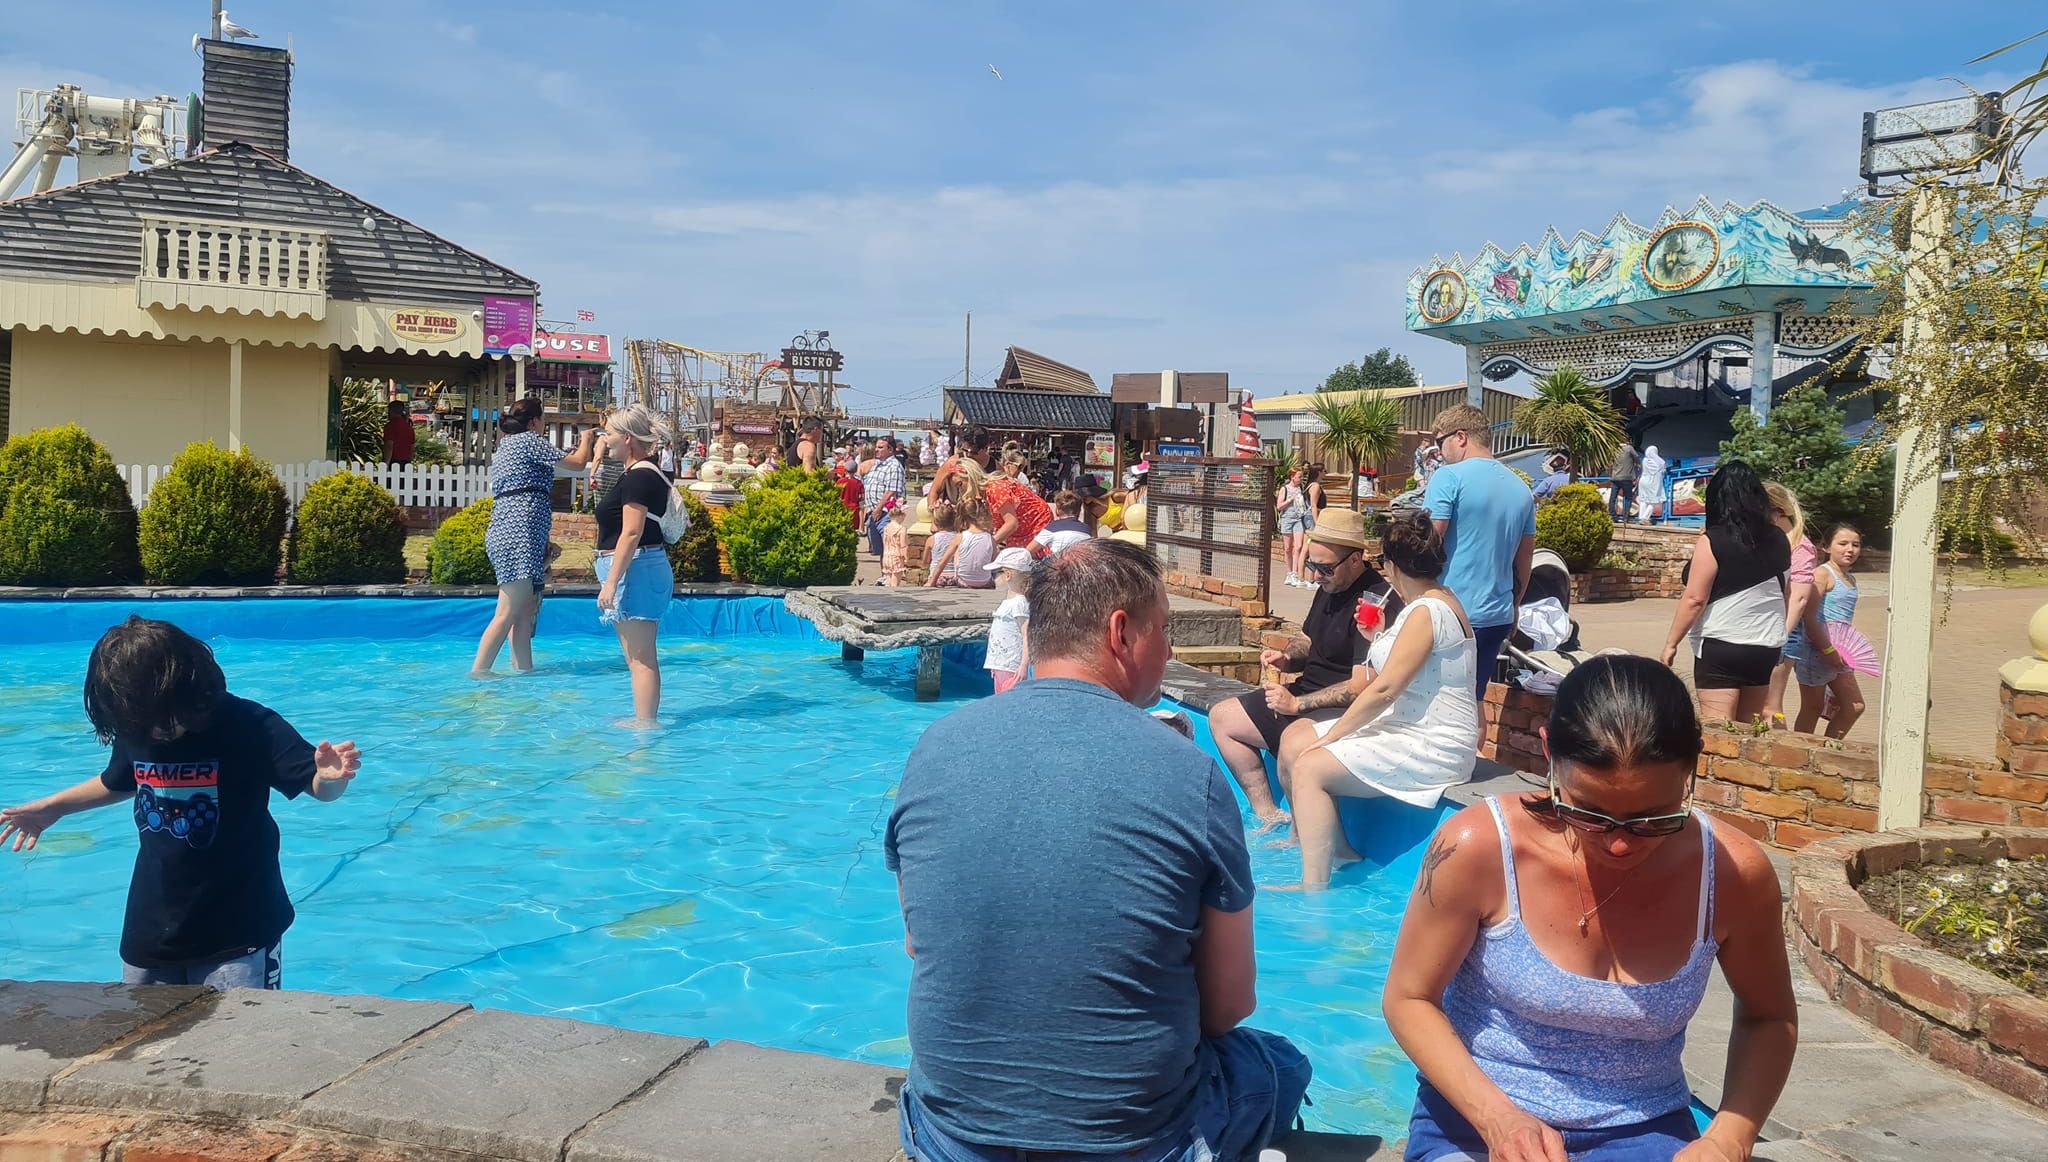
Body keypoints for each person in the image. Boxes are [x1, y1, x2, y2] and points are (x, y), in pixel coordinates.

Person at [886, 540, 1311, 1162]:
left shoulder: (934, 748)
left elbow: (919, 944)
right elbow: (1229, 1005)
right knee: (1279, 1063)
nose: (1168, 650)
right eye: (1163, 630)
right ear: (1121, 633)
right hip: (1134, 1144)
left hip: (952, 1137)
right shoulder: (1190, 774)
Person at [1382, 655, 1797, 1162]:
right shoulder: (1476, 847)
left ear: (1693, 768)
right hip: (1476, 1119)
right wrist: (1499, 1119)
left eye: (1652, 818)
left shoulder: (1734, 875)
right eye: (1588, 812)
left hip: (1644, 1128)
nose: (1619, 845)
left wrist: (1729, 1139)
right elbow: (1409, 998)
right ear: (1548, 755)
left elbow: (1768, 1017)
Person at [0, 616, 361, 989]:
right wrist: (53, 808)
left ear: (194, 691)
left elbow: (317, 788)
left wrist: (330, 778)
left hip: (239, 929)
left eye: (166, 720)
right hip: (153, 930)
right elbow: (121, 781)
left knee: (243, 1041)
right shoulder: (136, 718)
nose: (157, 732)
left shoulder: (250, 724)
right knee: (144, 1041)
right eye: (144, 724)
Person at [1278, 510, 1479, 889]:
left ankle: (1313, 890)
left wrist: (1333, 735)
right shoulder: (1437, 599)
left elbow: (1386, 689)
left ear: (1391, 565)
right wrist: (1377, 637)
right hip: (1408, 725)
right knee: (1295, 742)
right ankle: (1338, 849)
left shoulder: (1427, 610)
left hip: (1433, 741)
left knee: (1309, 766)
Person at [1207, 509, 1400, 830]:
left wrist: (1296, 705)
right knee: (1222, 717)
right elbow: (1309, 641)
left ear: (1355, 559)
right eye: (1311, 565)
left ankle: (1308, 832)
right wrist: (1287, 658)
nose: (1314, 577)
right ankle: (1267, 813)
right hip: (1305, 692)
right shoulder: (1330, 586)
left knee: (1293, 743)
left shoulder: (1376, 602)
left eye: (1323, 568)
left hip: (1345, 710)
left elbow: (1361, 687)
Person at [473, 397, 601, 676]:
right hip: (520, 532)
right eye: (543, 419)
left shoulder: (508, 444)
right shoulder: (529, 441)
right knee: (507, 612)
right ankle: (479, 674)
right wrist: (588, 438)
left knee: (523, 612)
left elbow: (554, 463)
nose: (543, 425)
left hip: (512, 530)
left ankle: (523, 673)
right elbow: (579, 464)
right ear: (533, 421)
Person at [1660, 460, 1791, 724]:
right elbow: (1784, 592)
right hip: (1764, 645)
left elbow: (1695, 599)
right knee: (1748, 729)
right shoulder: (1779, 539)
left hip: (1722, 644)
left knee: (1718, 728)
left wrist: (1671, 644)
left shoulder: (1713, 540)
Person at [1424, 405, 1536, 699]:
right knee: (1472, 701)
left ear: (1460, 437)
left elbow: (1428, 541)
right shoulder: (1521, 488)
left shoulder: (1448, 477)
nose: (1438, 451)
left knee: (1436, 702)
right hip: (1495, 615)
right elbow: (1524, 558)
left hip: (1449, 611)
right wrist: (1515, 606)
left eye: (1440, 442)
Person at [595, 404, 678, 726]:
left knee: (641, 658)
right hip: (640, 567)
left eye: (610, 434)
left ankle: (646, 725)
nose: (606, 439)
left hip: (636, 569)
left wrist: (611, 582)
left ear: (628, 438)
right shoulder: (641, 472)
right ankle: (644, 719)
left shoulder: (639, 476)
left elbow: (631, 532)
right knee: (637, 656)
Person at [1762, 483, 1835, 731]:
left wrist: (1780, 636)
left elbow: (1800, 599)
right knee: (1758, 704)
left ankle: (1779, 748)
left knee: (1771, 707)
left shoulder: (1800, 546)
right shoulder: (1772, 541)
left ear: (1779, 512)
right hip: (1768, 624)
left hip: (1784, 630)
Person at [1796, 524, 1866, 738]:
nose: (1850, 550)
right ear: (1826, 547)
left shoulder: (1850, 578)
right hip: (1815, 651)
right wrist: (1828, 650)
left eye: (1856, 545)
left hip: (1841, 653)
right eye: (1843, 544)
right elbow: (1808, 617)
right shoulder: (1821, 575)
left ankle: (1829, 748)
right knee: (1813, 708)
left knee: (1854, 706)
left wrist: (1839, 652)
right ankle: (1800, 753)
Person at [984, 547, 1034, 693]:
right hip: (1001, 665)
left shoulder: (1019, 602)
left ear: (1007, 575)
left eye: (994, 574)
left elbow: (1027, 635)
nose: (992, 578)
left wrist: (1023, 666)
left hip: (1012, 666)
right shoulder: (1007, 602)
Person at [985, 451, 1053, 549]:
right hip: (1021, 525)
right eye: (1019, 467)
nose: (1020, 471)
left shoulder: (1016, 480)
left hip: (1035, 522)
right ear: (1008, 465)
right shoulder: (999, 483)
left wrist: (987, 545)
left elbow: (1011, 522)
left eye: (1022, 467)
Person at [927, 501, 996, 589]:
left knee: (958, 552)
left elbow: (943, 562)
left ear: (963, 518)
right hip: (985, 581)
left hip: (963, 581)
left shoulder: (960, 536)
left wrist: (932, 582)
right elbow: (994, 559)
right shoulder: (990, 537)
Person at [863, 436, 907, 559]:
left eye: (880, 447)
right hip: (874, 512)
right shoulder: (878, 465)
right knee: (882, 550)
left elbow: (891, 491)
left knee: (890, 548)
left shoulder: (894, 466)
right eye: (876, 447)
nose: (876, 450)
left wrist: (878, 509)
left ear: (890, 450)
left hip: (886, 513)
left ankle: (891, 576)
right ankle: (885, 576)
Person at [930, 424, 993, 505]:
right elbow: (934, 490)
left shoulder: (994, 467)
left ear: (985, 448)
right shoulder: (953, 462)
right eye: (965, 450)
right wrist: (933, 510)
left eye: (974, 452)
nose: (969, 455)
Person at [1277, 466, 1313, 588]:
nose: (1300, 479)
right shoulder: (1285, 489)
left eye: (1301, 477)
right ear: (1292, 477)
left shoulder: (1301, 488)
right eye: (1298, 477)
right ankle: (1289, 572)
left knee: (1298, 546)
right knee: (1288, 547)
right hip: (1287, 518)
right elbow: (1279, 506)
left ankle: (1295, 573)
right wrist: (1290, 500)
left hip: (1298, 518)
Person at [1033, 490, 1095, 557]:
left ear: (1057, 510)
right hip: (1080, 564)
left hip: (1058, 565)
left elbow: (1029, 550)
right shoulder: (1087, 530)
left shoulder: (1052, 527)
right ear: (1079, 511)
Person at [923, 502, 959, 584]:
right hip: (954, 576)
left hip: (936, 577)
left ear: (936, 522)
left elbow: (925, 562)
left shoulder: (931, 539)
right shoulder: (958, 538)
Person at [1608, 441, 1642, 522]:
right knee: (1628, 498)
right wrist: (1637, 465)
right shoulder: (1629, 448)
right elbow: (1637, 458)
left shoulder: (1614, 449)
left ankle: (1612, 516)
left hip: (1615, 478)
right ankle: (1626, 517)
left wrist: (1610, 475)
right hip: (1627, 478)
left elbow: (1609, 464)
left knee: (1613, 497)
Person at [882, 500, 911, 587]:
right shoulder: (901, 529)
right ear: (900, 515)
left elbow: (884, 542)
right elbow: (903, 545)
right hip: (896, 556)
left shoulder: (886, 528)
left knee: (888, 582)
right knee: (895, 584)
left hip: (886, 556)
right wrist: (906, 559)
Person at [1638, 445, 1668, 523]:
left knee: (1643, 500)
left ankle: (1641, 516)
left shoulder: (1644, 460)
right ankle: (1645, 518)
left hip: (1643, 481)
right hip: (1652, 483)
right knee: (1654, 501)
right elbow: (1663, 470)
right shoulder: (1659, 462)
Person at [383, 400, 416, 465]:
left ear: (391, 411)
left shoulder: (390, 426)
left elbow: (389, 446)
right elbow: (412, 448)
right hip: (406, 462)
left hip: (394, 461)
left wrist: (385, 465)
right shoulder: (409, 428)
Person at [835, 463, 865, 530]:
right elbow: (862, 498)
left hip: (842, 509)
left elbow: (835, 493)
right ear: (855, 471)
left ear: (845, 470)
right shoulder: (859, 483)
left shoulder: (840, 481)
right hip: (854, 510)